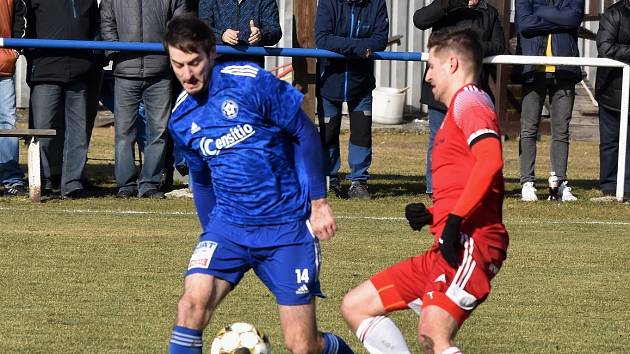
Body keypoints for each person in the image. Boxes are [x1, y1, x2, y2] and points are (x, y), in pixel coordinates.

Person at [164, 14, 353, 354]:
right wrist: (211, 232)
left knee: (303, 345)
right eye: (178, 64)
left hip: (285, 229)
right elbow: (201, 179)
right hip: (229, 229)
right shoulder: (181, 119)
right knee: (190, 307)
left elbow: (304, 132)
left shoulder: (250, 82)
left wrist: (319, 203)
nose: (187, 74)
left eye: (194, 63)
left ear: (212, 54)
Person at [340, 29, 509, 354]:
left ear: (453, 64)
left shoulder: (470, 101)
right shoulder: (458, 110)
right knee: (356, 305)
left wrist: (454, 220)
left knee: (434, 333)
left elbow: (490, 160)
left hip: (472, 242)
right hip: (448, 241)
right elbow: (469, 176)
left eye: (432, 66)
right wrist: (435, 214)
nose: (427, 76)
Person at [413, 0, 505, 197]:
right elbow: (419, 20)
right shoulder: (445, 6)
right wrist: (444, 5)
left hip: (470, 89)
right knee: (438, 138)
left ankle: (469, 185)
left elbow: (498, 45)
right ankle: (435, 187)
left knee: (469, 141)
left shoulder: (490, 13)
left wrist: (465, 48)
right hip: (440, 87)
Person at [100, 0, 188, 199]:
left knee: (159, 131)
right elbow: (106, 21)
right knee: (124, 131)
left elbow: (180, 23)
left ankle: (150, 183)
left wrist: (168, 51)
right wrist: (114, 49)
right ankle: (126, 184)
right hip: (125, 70)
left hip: (160, 72)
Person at [25, 0, 100, 199]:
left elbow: (95, 27)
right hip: (45, 69)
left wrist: (93, 58)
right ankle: (44, 179)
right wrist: (32, 55)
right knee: (42, 129)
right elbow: (26, 26)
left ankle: (72, 183)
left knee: (78, 131)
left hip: (80, 71)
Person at [315, 0, 389, 199]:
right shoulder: (328, 3)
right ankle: (329, 180)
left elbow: (380, 40)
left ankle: (358, 182)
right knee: (328, 133)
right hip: (329, 80)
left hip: (361, 82)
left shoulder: (376, 4)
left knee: (361, 133)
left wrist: (346, 46)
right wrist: (357, 47)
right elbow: (322, 39)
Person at [515, 0, 584, 201]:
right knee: (528, 128)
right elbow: (525, 24)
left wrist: (541, 12)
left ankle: (560, 182)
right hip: (532, 70)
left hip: (565, 69)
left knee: (561, 129)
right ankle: (527, 182)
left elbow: (572, 19)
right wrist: (558, 18)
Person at [591, 0, 630, 202]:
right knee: (610, 141)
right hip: (611, 92)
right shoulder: (613, 14)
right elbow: (605, 48)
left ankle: (628, 187)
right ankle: (609, 186)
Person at [198, 0, 282, 67]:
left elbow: (275, 30)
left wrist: (261, 34)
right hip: (218, 66)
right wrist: (221, 35)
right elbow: (201, 30)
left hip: (252, 67)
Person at [0, 0, 27, 197]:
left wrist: (15, 50)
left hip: (3, 64)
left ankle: (12, 179)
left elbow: (20, 17)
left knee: (8, 121)